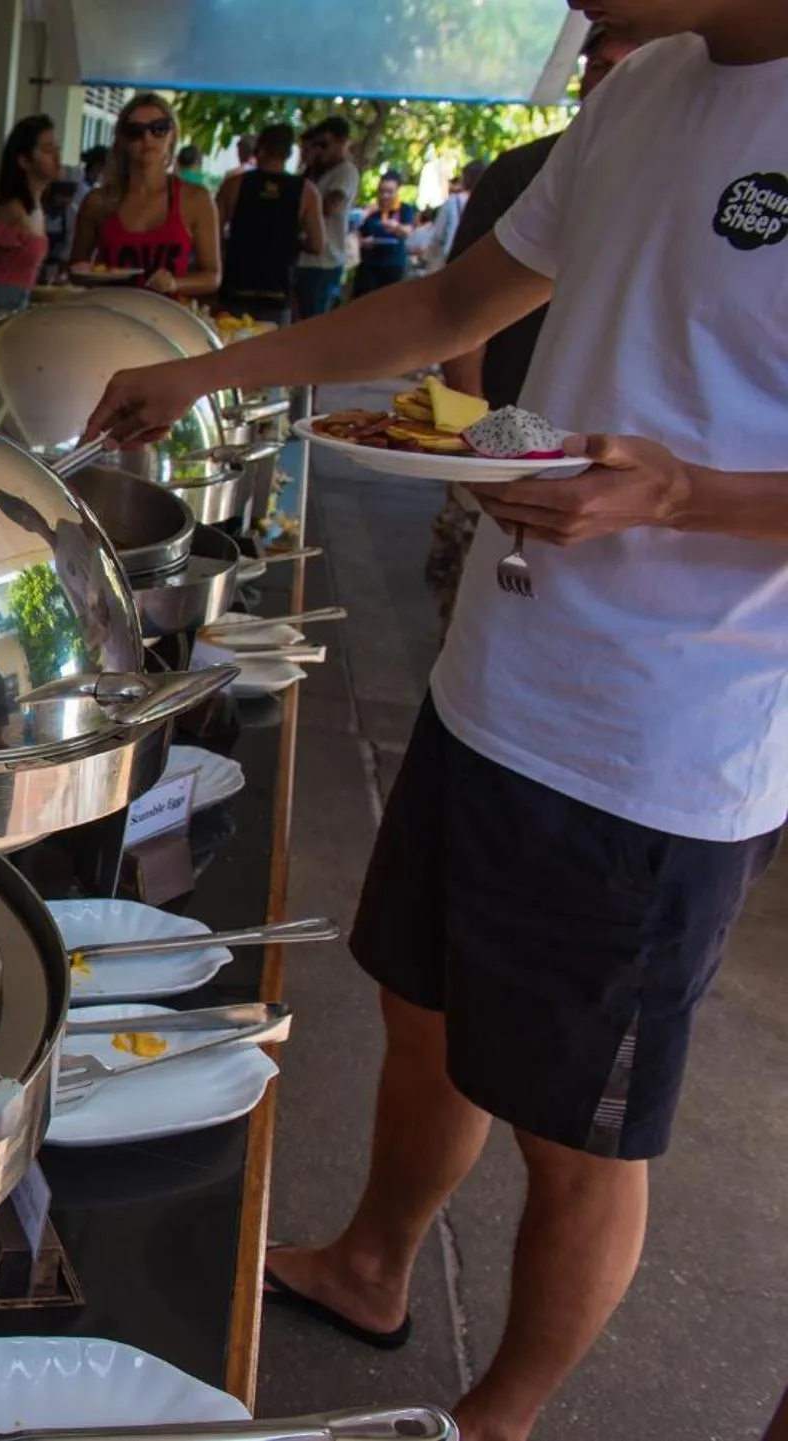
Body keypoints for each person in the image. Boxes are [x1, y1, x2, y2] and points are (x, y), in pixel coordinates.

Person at [81, 4, 788, 1436]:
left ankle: (499, 1417)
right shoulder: (643, 89)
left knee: (577, 1131)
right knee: (424, 1010)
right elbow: (454, 309)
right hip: (501, 672)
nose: (575, 11)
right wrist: (209, 371)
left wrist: (680, 495)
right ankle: (372, 1263)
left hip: (661, 741)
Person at [425, 24, 645, 636]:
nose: (612, 83)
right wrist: (475, 433)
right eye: (600, 67)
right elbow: (454, 316)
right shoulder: (525, 172)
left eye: (631, 67)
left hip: (613, 465)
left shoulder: (684, 178)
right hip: (505, 433)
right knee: (470, 601)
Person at [71, 93, 222, 297]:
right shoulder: (98, 202)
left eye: (159, 128)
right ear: (122, 140)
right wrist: (92, 273)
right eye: (135, 131)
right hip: (110, 311)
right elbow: (75, 270)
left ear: (172, 135)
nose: (147, 138)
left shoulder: (195, 199)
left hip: (167, 313)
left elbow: (212, 276)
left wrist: (174, 283)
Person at [215, 124, 325, 324]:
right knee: (274, 343)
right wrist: (292, 241)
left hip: (236, 286)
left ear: (260, 149)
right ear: (289, 154)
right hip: (277, 290)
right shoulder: (307, 192)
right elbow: (317, 245)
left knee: (228, 340)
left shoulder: (233, 185)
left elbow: (214, 235)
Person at [0, 114, 62, 329]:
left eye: (57, 148)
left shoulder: (36, 207)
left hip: (16, 308)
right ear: (24, 160)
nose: (57, 157)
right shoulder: (11, 210)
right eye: (48, 150)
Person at [293, 117, 362, 320]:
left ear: (342, 142)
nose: (319, 151)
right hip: (302, 259)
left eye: (324, 145)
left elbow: (329, 207)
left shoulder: (345, 172)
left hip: (324, 262)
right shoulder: (313, 174)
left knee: (311, 322)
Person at [410, 159, 483, 276]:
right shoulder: (487, 204)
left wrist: (428, 257)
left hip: (450, 259)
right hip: (475, 262)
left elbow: (438, 235)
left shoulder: (453, 202)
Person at [352, 173, 417, 297]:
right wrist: (363, 241)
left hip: (393, 265)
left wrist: (396, 227)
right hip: (369, 265)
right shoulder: (370, 210)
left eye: (389, 192)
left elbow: (408, 231)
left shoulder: (404, 209)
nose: (385, 196)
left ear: (397, 191)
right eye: (381, 191)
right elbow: (355, 232)